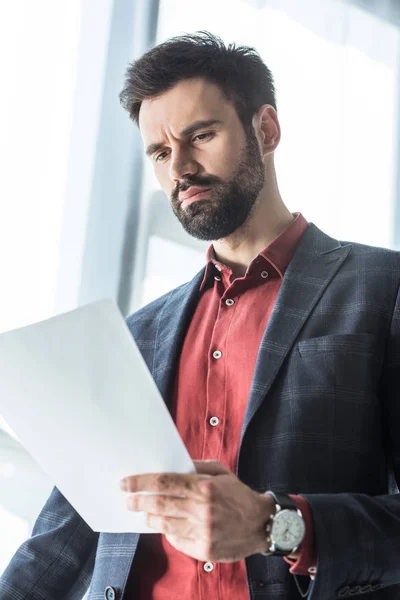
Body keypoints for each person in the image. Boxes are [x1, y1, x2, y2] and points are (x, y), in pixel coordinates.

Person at [1, 31, 400, 600]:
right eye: (161, 153)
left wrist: (275, 525)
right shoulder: (137, 335)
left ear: (265, 130)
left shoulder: (384, 290)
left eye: (200, 136)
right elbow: (63, 539)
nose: (180, 168)